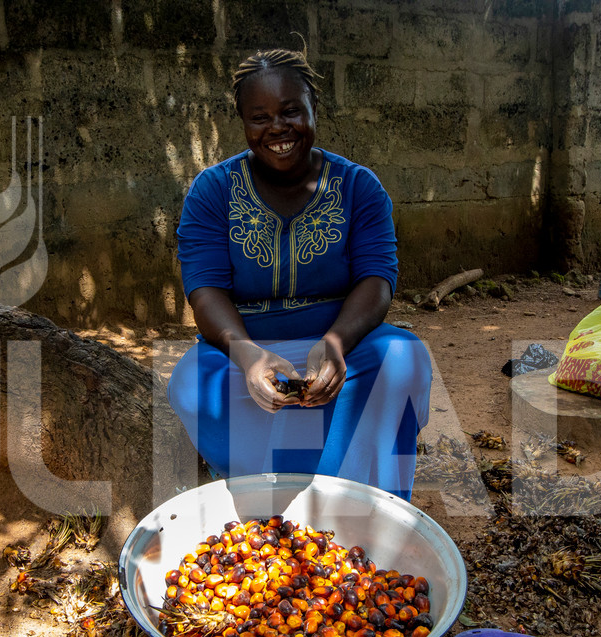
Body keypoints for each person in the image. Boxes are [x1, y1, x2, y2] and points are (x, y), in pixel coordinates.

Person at [167, 46, 432, 500]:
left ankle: (362, 506)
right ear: (243, 122)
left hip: (345, 343)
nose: (277, 128)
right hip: (243, 347)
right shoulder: (213, 191)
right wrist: (249, 357)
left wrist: (334, 344)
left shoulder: (357, 187)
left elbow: (378, 278)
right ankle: (266, 502)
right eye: (260, 117)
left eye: (291, 111)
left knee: (403, 359)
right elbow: (205, 290)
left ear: (313, 109)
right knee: (192, 384)